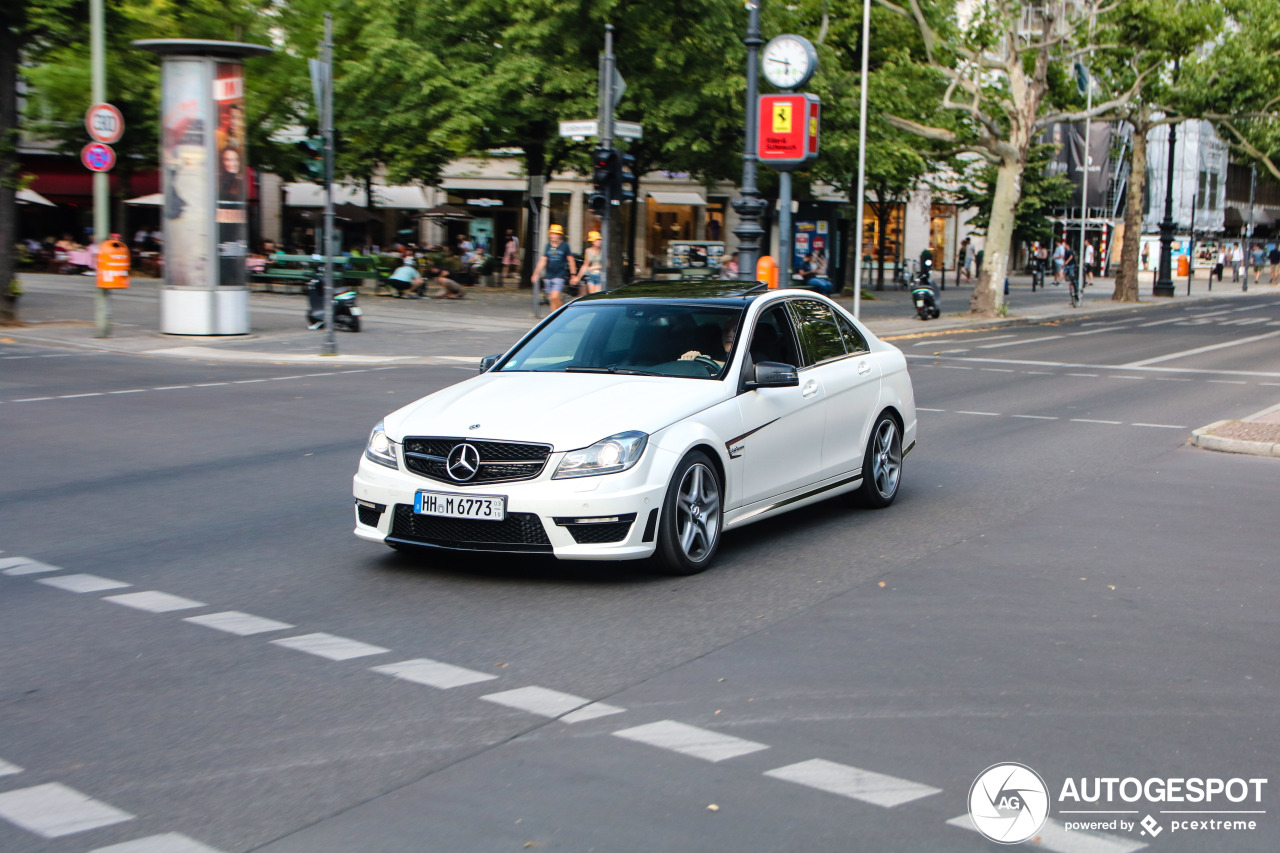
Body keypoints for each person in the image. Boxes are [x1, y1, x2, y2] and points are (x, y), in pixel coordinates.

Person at [531, 223, 577, 311]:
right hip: (548, 276)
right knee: (551, 300)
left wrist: (573, 275)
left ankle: (563, 313)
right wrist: (536, 273)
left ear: (560, 235)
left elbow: (571, 260)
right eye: (552, 233)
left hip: (559, 276)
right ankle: (555, 317)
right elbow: (543, 260)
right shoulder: (548, 246)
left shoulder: (564, 246)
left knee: (555, 297)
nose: (553, 236)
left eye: (555, 234)